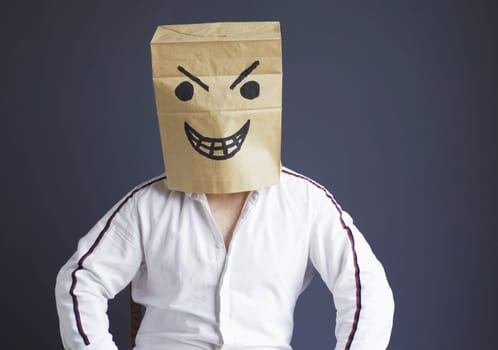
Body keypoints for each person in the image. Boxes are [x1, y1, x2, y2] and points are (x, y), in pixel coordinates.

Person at [55, 22, 394, 350]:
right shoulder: (148, 204)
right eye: (188, 92)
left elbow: (367, 289)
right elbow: (80, 281)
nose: (218, 119)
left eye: (248, 91)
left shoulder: (305, 203)